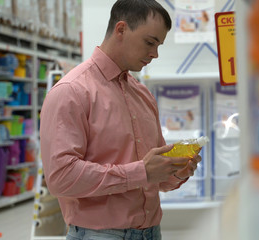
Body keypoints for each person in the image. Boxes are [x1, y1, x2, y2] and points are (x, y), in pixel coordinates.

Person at [39, 0, 202, 239]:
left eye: (159, 46)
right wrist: (140, 173)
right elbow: (60, 178)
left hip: (151, 232)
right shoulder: (72, 91)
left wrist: (176, 170)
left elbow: (154, 178)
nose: (155, 54)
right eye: (150, 42)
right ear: (121, 29)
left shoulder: (142, 94)